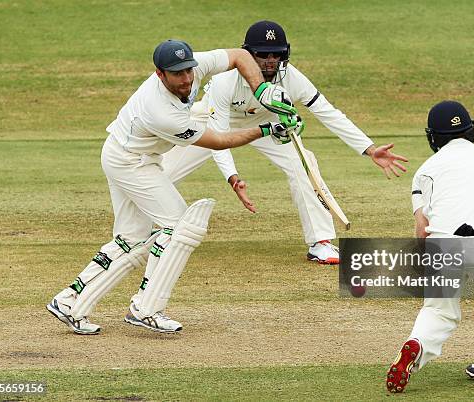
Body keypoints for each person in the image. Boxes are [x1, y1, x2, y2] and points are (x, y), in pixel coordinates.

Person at [47, 39, 300, 335]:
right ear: (160, 74)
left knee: (131, 238)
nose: (187, 79)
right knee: (180, 226)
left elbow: (241, 56)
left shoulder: (196, 66)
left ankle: (69, 299)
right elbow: (218, 141)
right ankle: (146, 307)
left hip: (130, 153)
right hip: (130, 161)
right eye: (177, 74)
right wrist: (268, 129)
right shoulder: (160, 112)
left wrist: (262, 91)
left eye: (188, 71)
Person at [161, 21, 408, 265]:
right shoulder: (226, 80)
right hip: (211, 121)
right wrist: (233, 177)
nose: (270, 61)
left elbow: (327, 112)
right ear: (247, 54)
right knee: (162, 173)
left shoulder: (291, 76)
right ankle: (152, 231)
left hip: (269, 125)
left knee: (304, 164)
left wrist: (369, 149)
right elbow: (219, 134)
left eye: (276, 54)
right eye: (262, 54)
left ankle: (320, 242)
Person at [385, 101, 474, 392]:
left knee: (440, 310)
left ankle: (416, 344)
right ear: (471, 131)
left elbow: (422, 229)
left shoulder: (426, 169)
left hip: (444, 243)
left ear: (433, 137)